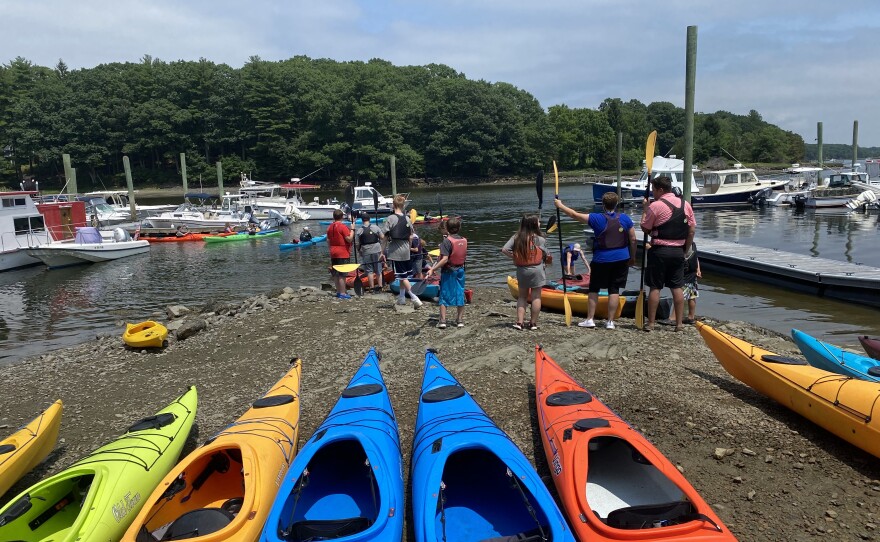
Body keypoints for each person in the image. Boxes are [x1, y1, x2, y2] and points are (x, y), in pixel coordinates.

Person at [556, 191, 636, 330]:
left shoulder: (596, 218)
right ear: (616, 204)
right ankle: (610, 322)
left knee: (594, 288)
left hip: (601, 259)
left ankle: (590, 319)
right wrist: (632, 257)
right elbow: (633, 239)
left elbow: (574, 215)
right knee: (614, 289)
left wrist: (560, 205)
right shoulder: (625, 219)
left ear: (603, 205)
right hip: (622, 258)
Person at [641, 175, 696, 332]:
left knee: (655, 287)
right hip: (678, 251)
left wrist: (645, 209)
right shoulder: (685, 205)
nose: (652, 193)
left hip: (659, 250)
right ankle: (679, 324)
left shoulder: (656, 206)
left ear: (660, 189)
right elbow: (691, 230)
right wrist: (686, 248)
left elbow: (646, 228)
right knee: (677, 287)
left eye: (653, 190)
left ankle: (651, 323)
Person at [502, 214, 549, 331]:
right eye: (538, 222)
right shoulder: (540, 239)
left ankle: (519, 322)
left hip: (522, 270)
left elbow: (504, 249)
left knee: (522, 297)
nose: (540, 224)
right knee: (536, 297)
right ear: (533, 224)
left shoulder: (516, 237)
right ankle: (533, 323)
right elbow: (546, 255)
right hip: (537, 270)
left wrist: (515, 257)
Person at [382, 194, 422, 308]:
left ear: (393, 205)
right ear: (403, 205)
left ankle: (415, 298)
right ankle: (402, 298)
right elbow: (411, 236)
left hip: (396, 251)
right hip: (406, 251)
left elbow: (384, 237)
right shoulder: (407, 219)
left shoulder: (390, 218)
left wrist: (381, 252)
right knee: (402, 275)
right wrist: (409, 248)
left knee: (402, 277)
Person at [427, 216, 467, 329]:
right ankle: (459, 320)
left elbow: (444, 259)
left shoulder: (446, 241)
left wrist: (432, 269)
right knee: (460, 293)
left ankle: (443, 320)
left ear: (447, 228)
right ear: (459, 228)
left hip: (449, 271)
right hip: (460, 270)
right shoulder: (464, 240)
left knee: (444, 294)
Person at [326, 209, 355, 299]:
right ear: (342, 217)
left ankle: (338, 291)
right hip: (342, 252)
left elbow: (328, 240)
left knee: (335, 273)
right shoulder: (343, 227)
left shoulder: (329, 227)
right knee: (342, 274)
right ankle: (343, 293)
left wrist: (330, 249)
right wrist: (353, 230)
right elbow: (349, 239)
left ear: (334, 217)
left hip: (333, 251)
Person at [671, 243, 701, 324]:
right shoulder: (693, 244)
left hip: (686, 272)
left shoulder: (683, 243)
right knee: (692, 295)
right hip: (692, 271)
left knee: (679, 293)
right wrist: (698, 269)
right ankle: (691, 316)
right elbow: (695, 257)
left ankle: (673, 317)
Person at [356, 214, 385, 292]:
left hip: (366, 251)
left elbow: (358, 244)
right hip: (377, 250)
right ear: (369, 219)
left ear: (362, 220)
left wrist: (359, 251)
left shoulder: (359, 230)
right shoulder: (376, 227)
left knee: (369, 270)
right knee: (378, 269)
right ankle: (380, 286)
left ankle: (371, 287)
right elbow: (382, 237)